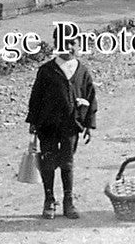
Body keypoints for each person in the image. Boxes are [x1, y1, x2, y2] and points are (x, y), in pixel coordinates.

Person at [26, 49, 97, 220]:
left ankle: (68, 201)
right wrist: (33, 121)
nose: (68, 47)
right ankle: (49, 199)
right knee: (48, 162)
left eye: (72, 43)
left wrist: (89, 124)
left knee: (67, 162)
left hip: (71, 125)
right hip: (47, 125)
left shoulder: (82, 71)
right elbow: (36, 96)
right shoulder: (46, 70)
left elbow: (90, 97)